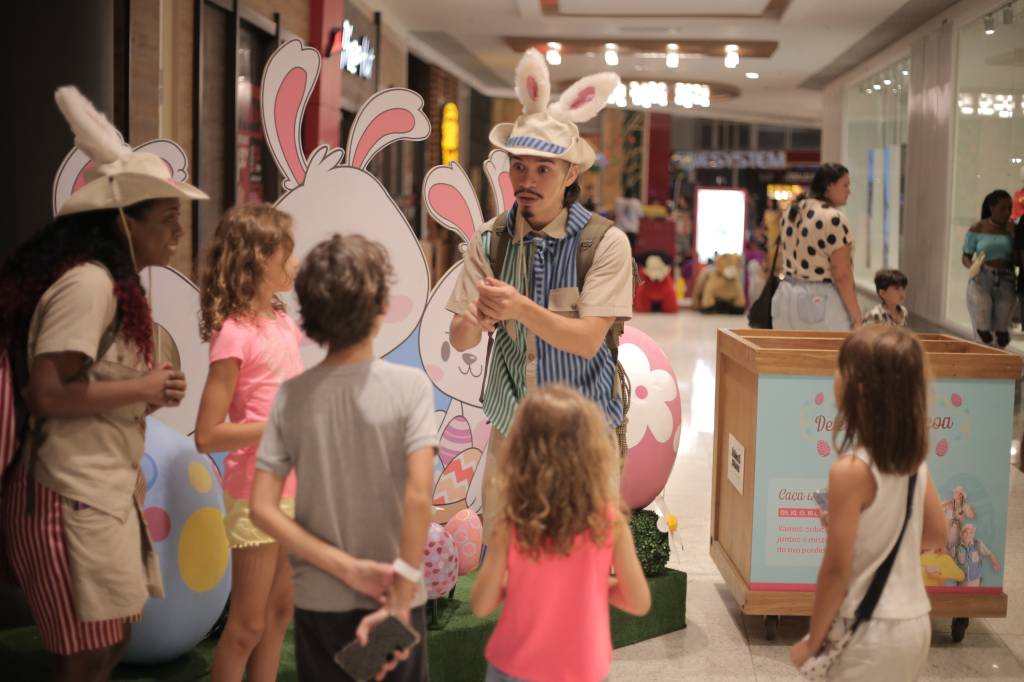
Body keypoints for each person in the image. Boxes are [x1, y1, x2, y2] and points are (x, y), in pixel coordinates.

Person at [0, 86, 206, 682]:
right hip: (65, 499)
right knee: (81, 658)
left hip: (101, 499)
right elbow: (49, 392)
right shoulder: (88, 285)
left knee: (105, 649)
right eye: (166, 221)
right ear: (124, 220)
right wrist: (142, 388)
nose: (176, 235)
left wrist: (144, 388)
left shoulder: (115, 289)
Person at [446, 49, 632, 538]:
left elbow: (589, 340)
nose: (526, 181)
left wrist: (519, 307)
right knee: (505, 563)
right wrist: (475, 319)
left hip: (585, 432)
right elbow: (461, 339)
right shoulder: (490, 240)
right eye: (519, 167)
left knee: (581, 567)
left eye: (543, 170)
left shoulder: (604, 244)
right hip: (512, 427)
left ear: (571, 174)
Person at [250, 234, 436, 682]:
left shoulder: (291, 398)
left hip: (319, 599)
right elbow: (418, 498)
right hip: (396, 598)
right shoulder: (411, 389)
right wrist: (402, 588)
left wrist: (345, 569)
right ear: (380, 306)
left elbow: (261, 507)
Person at [789, 326, 949, 680]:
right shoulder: (914, 463)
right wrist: (871, 532)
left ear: (861, 388)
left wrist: (813, 641)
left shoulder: (850, 472)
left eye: (840, 368)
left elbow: (835, 570)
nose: (834, 376)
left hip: (870, 629)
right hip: (915, 624)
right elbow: (938, 534)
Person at [471, 385, 650, 682]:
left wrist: (517, 590)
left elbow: (481, 604)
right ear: (591, 454)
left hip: (514, 666)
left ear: (521, 455)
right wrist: (592, 588)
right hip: (583, 668)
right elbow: (638, 601)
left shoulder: (513, 522)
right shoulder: (609, 523)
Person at [194, 204, 302, 682]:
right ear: (260, 258)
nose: (295, 263)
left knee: (279, 612)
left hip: (295, 485)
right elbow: (207, 435)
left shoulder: (280, 320)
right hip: (257, 491)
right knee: (246, 625)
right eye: (288, 251)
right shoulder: (233, 334)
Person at [771, 163, 861, 330]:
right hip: (819, 301)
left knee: (790, 355)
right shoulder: (834, 218)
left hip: (785, 296)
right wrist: (857, 318)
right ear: (829, 186)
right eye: (845, 185)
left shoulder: (791, 211)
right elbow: (841, 274)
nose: (849, 190)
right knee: (827, 354)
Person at [963, 189, 1015, 347]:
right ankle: (982, 364)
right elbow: (966, 256)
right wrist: (974, 266)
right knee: (982, 329)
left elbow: (1018, 254)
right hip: (983, 277)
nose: (1007, 212)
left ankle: (998, 366)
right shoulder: (978, 228)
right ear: (992, 208)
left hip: (1006, 279)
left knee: (1002, 332)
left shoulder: (1012, 229)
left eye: (1009, 208)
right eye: (1003, 208)